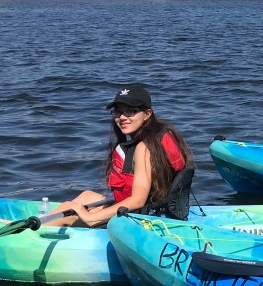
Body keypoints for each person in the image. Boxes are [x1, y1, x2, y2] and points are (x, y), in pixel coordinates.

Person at [49, 83, 194, 227]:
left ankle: (30, 237)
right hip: (154, 212)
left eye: (130, 111)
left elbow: (137, 201)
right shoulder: (162, 134)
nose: (122, 117)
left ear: (147, 114)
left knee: (66, 212)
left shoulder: (144, 148)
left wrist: (89, 217)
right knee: (87, 196)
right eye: (118, 112)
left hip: (139, 222)